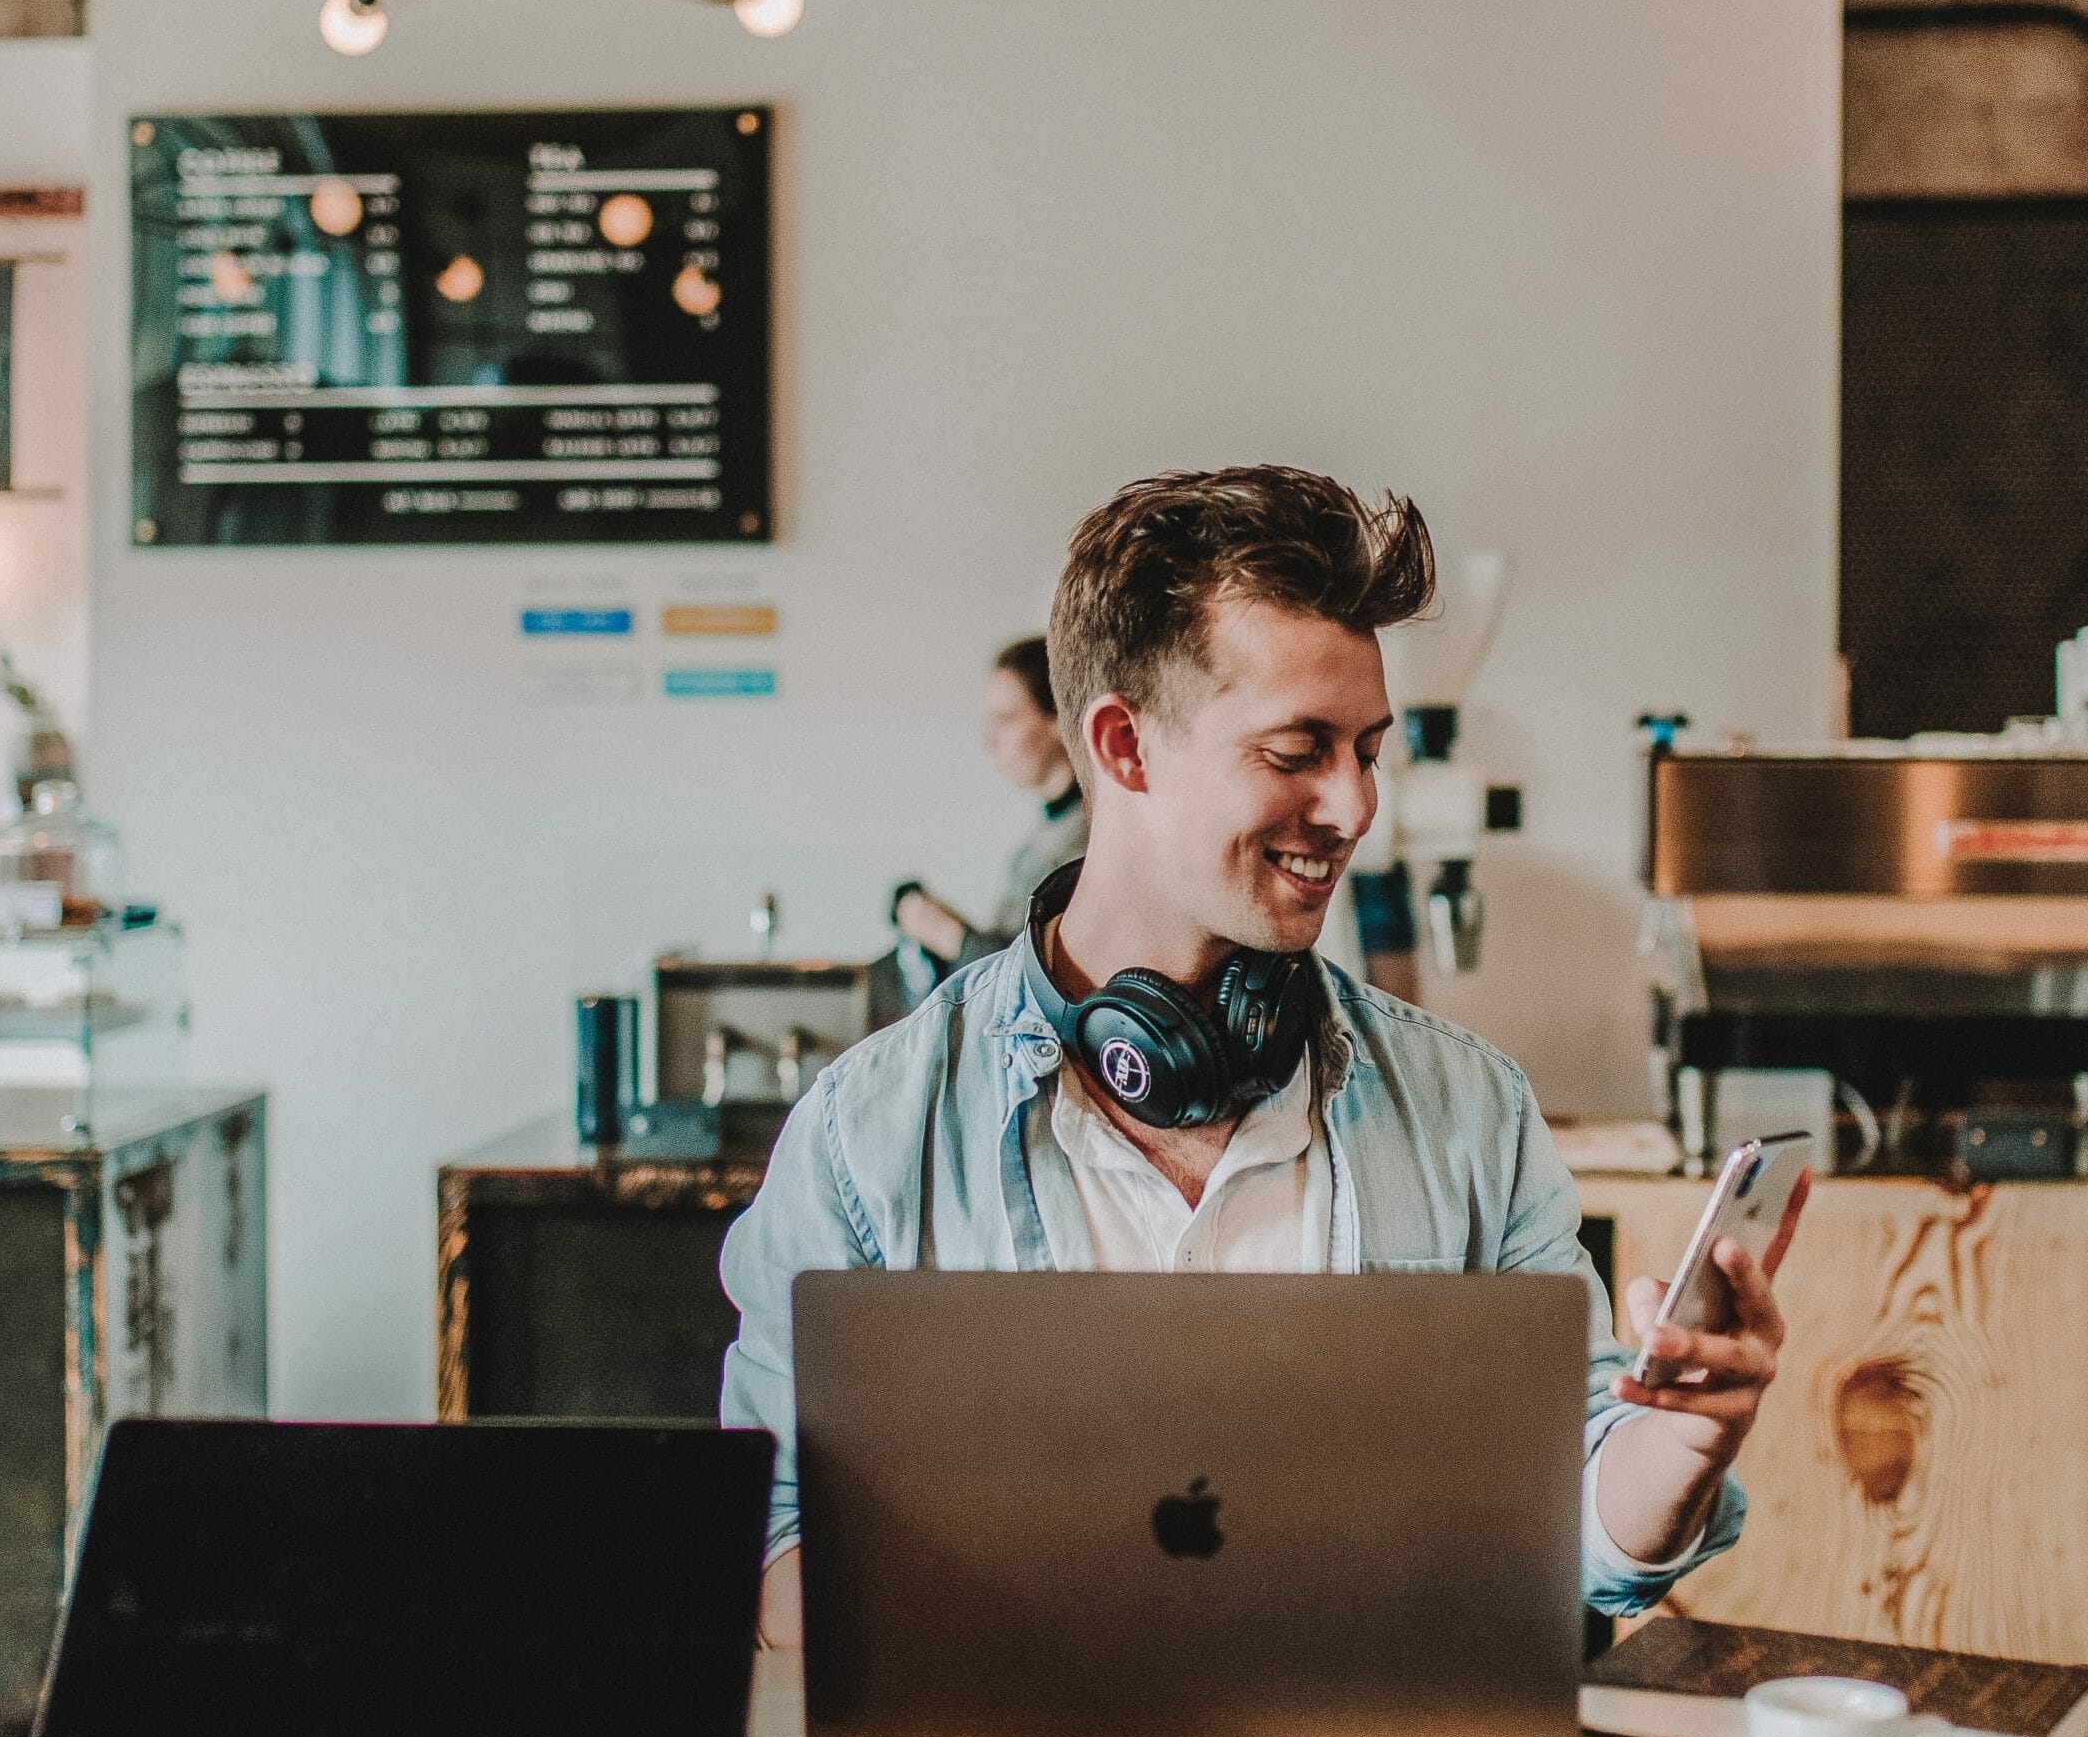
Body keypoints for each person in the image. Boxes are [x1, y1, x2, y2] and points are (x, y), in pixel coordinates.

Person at [720, 466, 1788, 1649]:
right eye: (1298, 750)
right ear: (1123, 745)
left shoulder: (1469, 1108)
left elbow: (1576, 1522)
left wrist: (1679, 1441)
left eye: (1368, 750)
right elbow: (769, 1544)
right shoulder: (865, 1136)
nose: (1352, 806)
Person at [893, 638, 1091, 971]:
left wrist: (946, 934)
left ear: (1057, 718)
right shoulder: (1046, 833)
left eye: (1006, 719)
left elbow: (1037, 981)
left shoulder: (1089, 840)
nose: (990, 741)